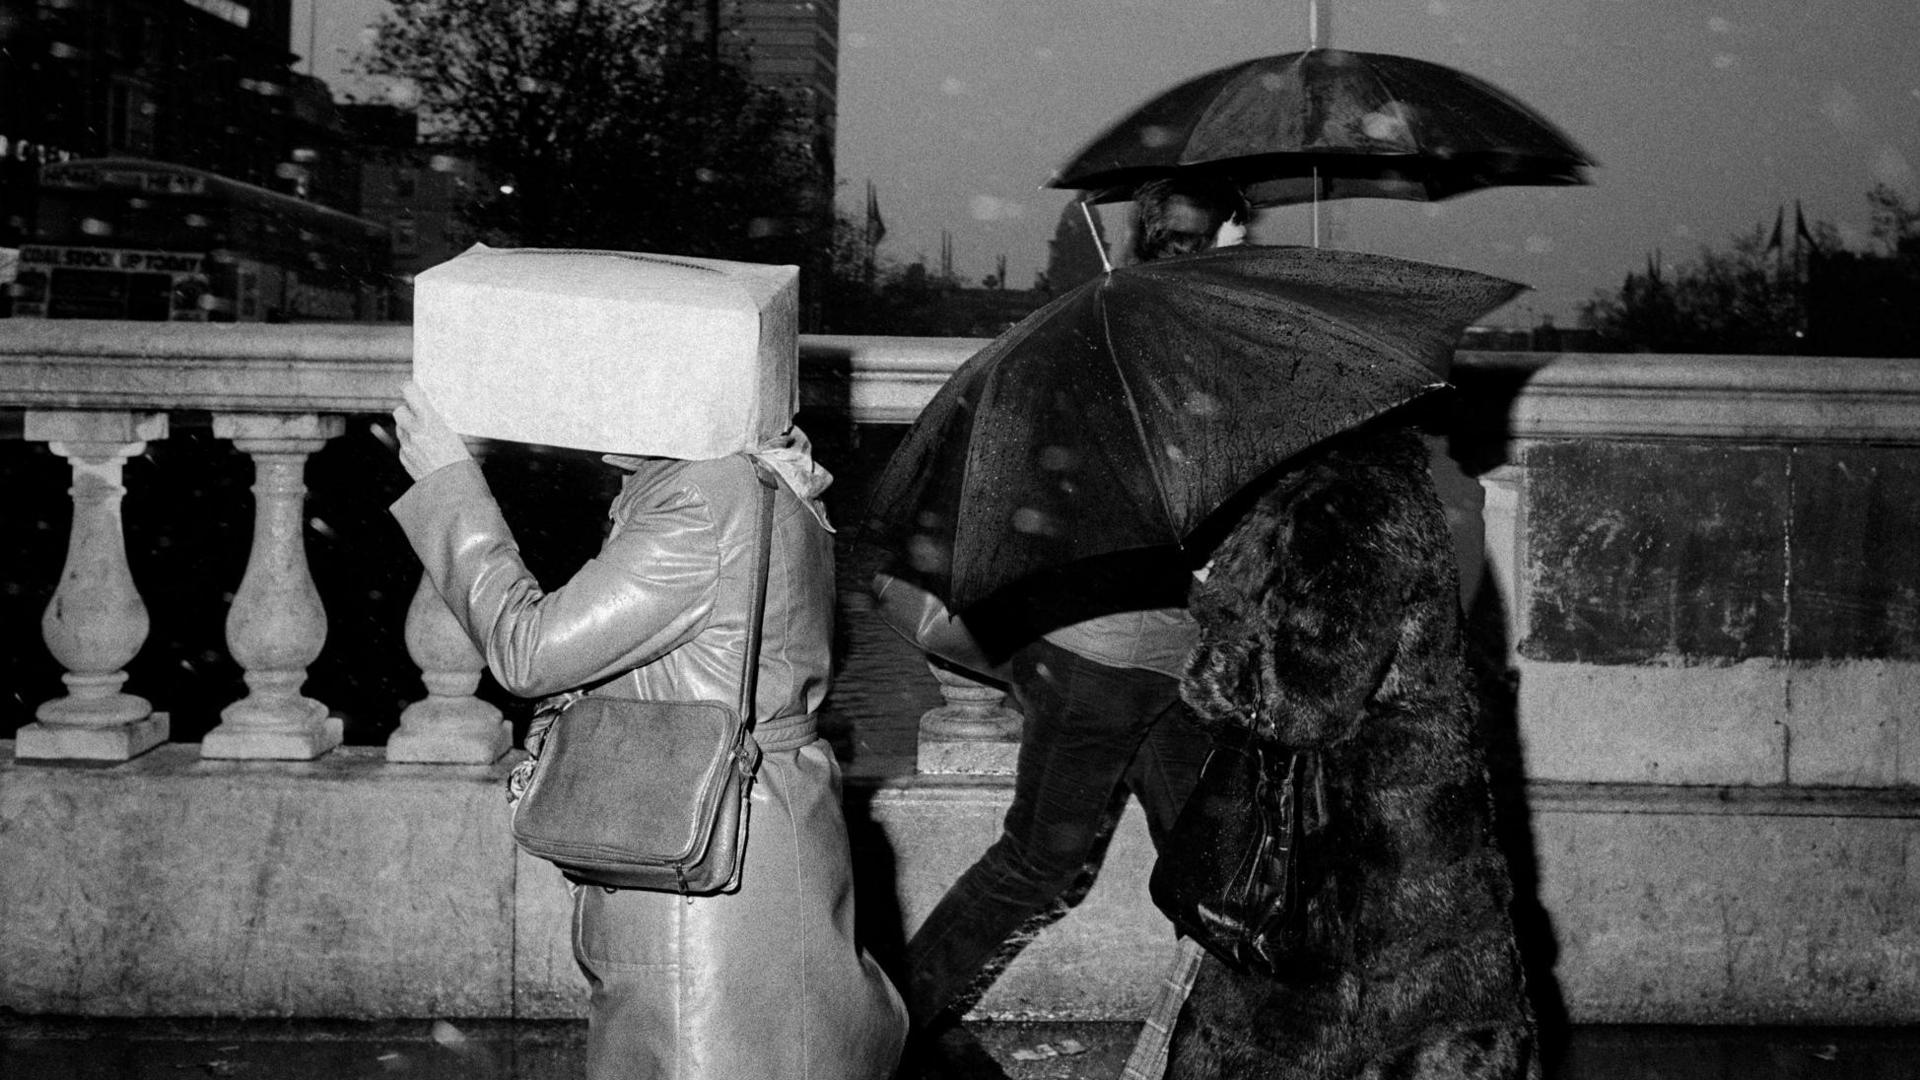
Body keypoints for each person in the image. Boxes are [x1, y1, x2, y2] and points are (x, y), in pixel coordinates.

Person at [388, 382, 907, 1080]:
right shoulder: (758, 468)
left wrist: (450, 486)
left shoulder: (696, 500)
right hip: (765, 830)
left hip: (700, 872)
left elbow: (528, 650)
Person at [896, 176, 1251, 1078]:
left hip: (1147, 654)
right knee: (1040, 862)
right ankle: (890, 1019)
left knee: (1209, 866)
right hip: (1110, 655)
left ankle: (1238, 1039)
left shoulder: (1108, 329)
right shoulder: (1181, 348)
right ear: (1227, 230)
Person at [1164, 416, 1540, 1079]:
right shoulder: (1399, 485)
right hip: (1403, 829)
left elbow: (1305, 706)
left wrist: (1217, 656)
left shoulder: (1346, 501)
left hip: (1345, 850)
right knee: (1425, 1032)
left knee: (1329, 1036)